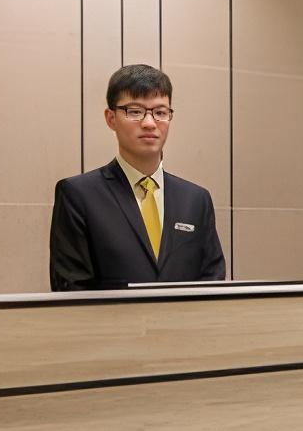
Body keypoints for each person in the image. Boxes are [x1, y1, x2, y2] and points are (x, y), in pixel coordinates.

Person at [49, 64, 227, 289]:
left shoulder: (196, 199)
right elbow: (72, 288)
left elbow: (212, 280)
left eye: (160, 112)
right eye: (135, 111)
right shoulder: (79, 195)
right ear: (111, 118)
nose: (149, 123)